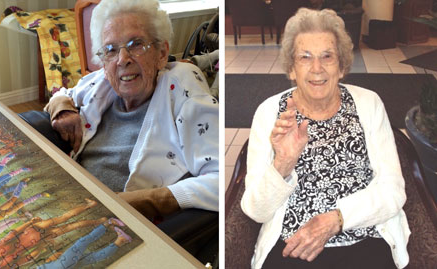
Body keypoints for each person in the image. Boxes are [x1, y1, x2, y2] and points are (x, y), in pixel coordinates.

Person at [241, 8, 409, 268]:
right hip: (293, 243)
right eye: (305, 57)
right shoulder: (269, 114)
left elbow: (393, 190)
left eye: (327, 57)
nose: (317, 68)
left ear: (341, 66)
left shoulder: (369, 103)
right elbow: (256, 210)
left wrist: (337, 219)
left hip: (363, 237)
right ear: (292, 69)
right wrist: (283, 163)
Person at [44, 0, 218, 220]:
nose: (122, 59)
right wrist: (62, 109)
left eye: (136, 44)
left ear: (162, 53)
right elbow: (63, 94)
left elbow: (222, 179)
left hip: (121, 226)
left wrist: (147, 202)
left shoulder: (182, 90)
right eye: (110, 49)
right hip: (70, 200)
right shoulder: (102, 83)